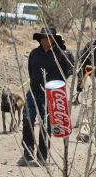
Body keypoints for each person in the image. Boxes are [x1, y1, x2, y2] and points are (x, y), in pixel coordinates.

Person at [17, 27, 74, 167]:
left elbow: (68, 72)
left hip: (51, 95)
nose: (44, 40)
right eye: (42, 37)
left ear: (53, 39)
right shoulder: (34, 54)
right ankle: (27, 153)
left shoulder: (61, 55)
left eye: (47, 37)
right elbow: (31, 71)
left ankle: (42, 156)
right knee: (27, 119)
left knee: (45, 123)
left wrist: (55, 84)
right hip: (33, 91)